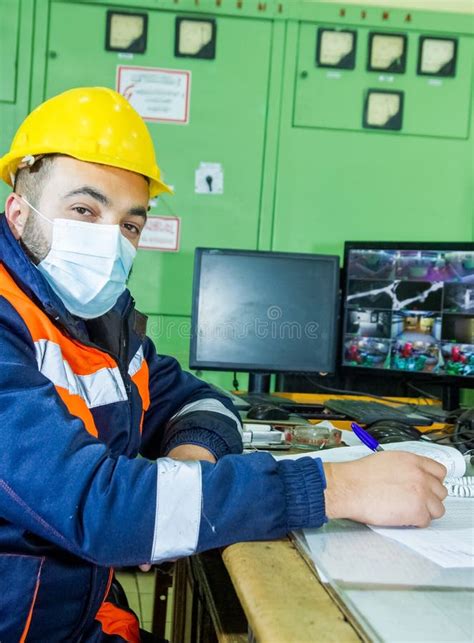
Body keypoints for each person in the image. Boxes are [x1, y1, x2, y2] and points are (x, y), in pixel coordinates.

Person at [0, 87, 448, 642]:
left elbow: (200, 399)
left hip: (78, 612)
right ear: (19, 213)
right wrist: (334, 488)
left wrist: (191, 457)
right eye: (84, 210)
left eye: (130, 225)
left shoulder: (102, 320)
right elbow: (100, 507)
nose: (110, 242)